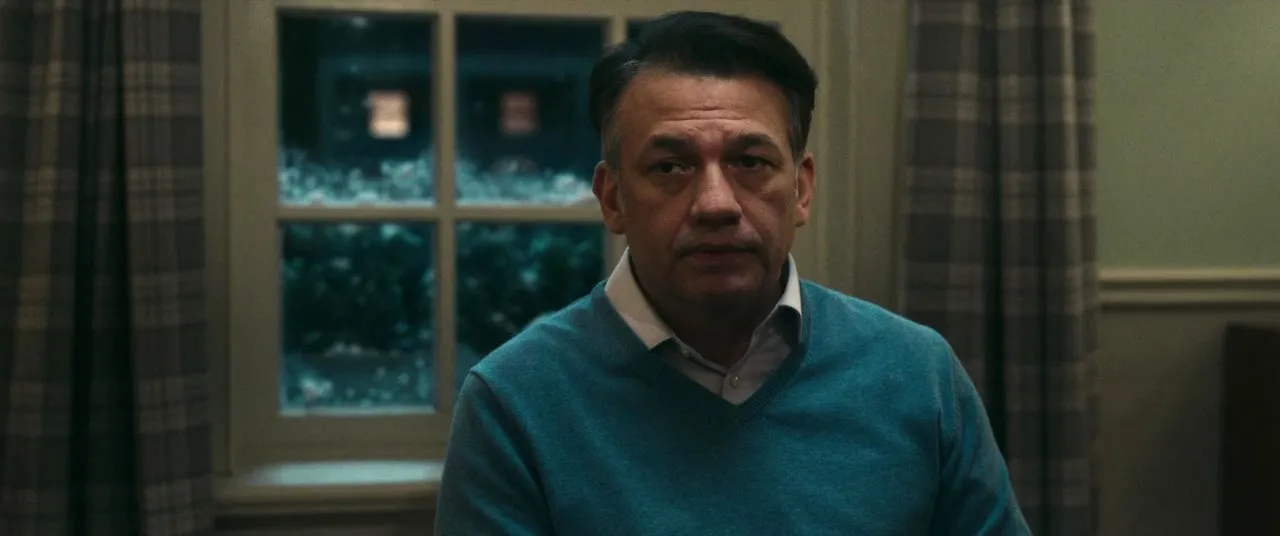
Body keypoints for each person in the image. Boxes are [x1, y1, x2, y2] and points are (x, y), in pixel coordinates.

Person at [435, 10, 1029, 536]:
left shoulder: (918, 374)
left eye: (750, 161)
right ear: (612, 198)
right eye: (670, 167)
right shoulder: (515, 401)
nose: (715, 204)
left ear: (801, 189)